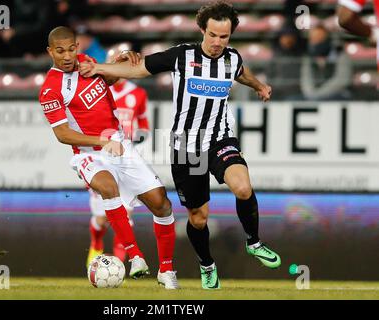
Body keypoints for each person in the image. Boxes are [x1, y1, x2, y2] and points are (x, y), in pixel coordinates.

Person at [79, 1, 281, 290]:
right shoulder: (181, 56)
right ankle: (207, 264)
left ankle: (254, 241)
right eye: (212, 35)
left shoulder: (231, 59)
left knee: (243, 187)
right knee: (199, 219)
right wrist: (97, 66)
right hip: (186, 145)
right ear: (202, 29)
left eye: (224, 37)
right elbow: (139, 70)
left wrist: (259, 85)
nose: (217, 42)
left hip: (220, 138)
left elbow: (241, 73)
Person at [38, 26, 179, 289]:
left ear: (77, 46)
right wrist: (101, 142)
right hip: (89, 153)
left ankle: (167, 270)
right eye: (60, 51)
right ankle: (135, 256)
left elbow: (109, 81)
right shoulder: (50, 89)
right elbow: (63, 134)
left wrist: (120, 63)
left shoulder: (86, 63)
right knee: (107, 187)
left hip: (119, 143)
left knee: (162, 204)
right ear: (50, 52)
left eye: (71, 49)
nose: (67, 56)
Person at [86, 50, 151, 267]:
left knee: (125, 214)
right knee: (103, 218)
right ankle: (96, 244)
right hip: (100, 157)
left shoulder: (138, 94)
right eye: (117, 61)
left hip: (124, 157)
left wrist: (137, 138)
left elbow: (143, 125)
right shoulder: (96, 90)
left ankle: (119, 264)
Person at [300, 25, 353, 100]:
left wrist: (318, 94)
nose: (316, 42)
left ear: (327, 39)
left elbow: (342, 80)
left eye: (320, 38)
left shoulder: (340, 55)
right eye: (313, 39)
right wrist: (311, 94)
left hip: (337, 96)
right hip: (313, 97)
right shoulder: (308, 57)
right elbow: (306, 80)